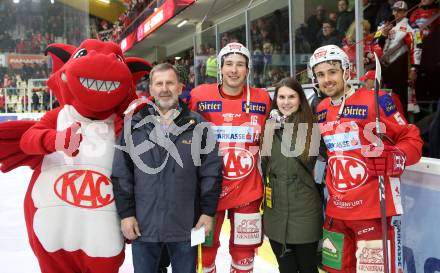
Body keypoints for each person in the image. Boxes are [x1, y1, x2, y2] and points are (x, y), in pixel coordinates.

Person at [308, 45, 423, 273]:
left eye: (332, 71)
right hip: (336, 213)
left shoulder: (376, 101)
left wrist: (397, 157)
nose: (327, 79)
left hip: (372, 213)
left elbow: (412, 139)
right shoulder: (322, 109)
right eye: (320, 74)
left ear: (346, 71)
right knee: (334, 270)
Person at [112, 63, 222, 273]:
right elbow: (121, 175)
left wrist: (207, 213)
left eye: (170, 83)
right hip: (144, 227)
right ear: (151, 90)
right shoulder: (133, 126)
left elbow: (212, 173)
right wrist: (126, 214)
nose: (164, 88)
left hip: (186, 227)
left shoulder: (199, 126)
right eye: (159, 83)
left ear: (180, 88)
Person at [189, 42, 271, 273]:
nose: (234, 70)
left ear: (248, 69)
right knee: (204, 249)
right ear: (221, 68)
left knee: (244, 251)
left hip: (248, 190)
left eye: (240, 65)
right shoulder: (199, 95)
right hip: (208, 190)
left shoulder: (262, 98)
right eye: (229, 64)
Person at [261, 77, 323, 273]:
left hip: (304, 212)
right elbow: (265, 165)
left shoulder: (312, 127)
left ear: (300, 99)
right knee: (286, 269)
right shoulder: (269, 128)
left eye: (291, 97)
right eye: (281, 97)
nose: (286, 102)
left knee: (307, 268)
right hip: (276, 213)